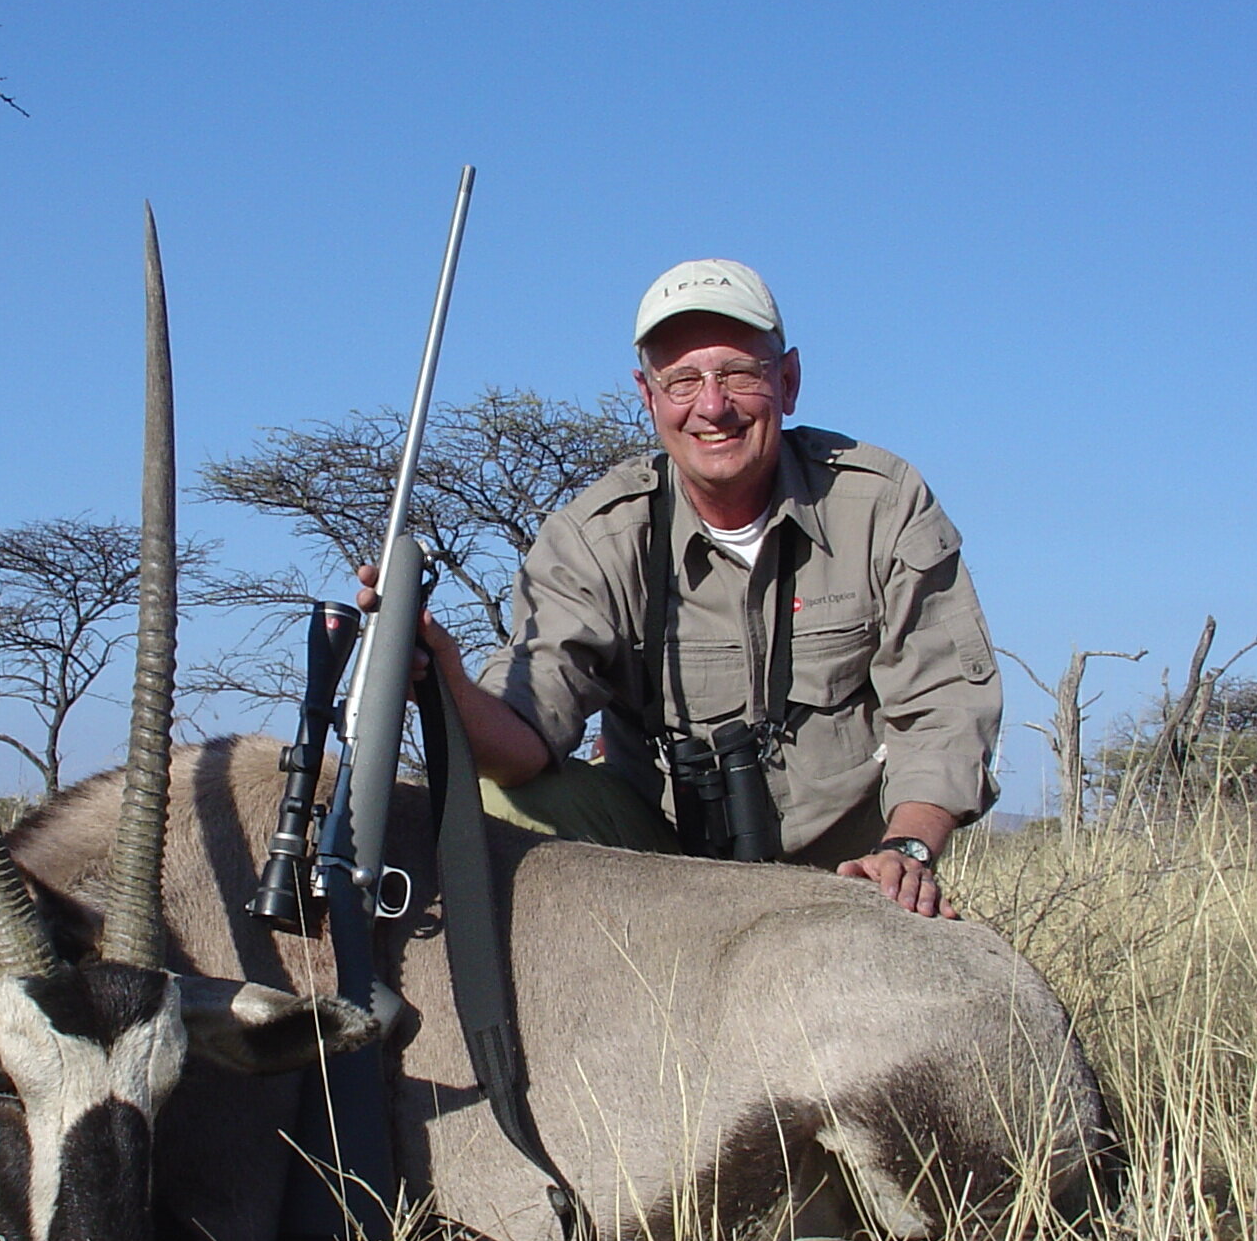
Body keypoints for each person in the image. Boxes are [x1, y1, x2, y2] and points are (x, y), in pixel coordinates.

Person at [385, 258, 1002, 919]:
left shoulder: (882, 504)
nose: (712, 406)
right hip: (664, 876)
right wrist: (439, 678)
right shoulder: (596, 538)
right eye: (681, 380)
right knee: (503, 802)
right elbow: (522, 742)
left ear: (788, 381)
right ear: (648, 398)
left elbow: (943, 707)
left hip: (848, 880)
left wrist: (906, 849)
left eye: (740, 373)